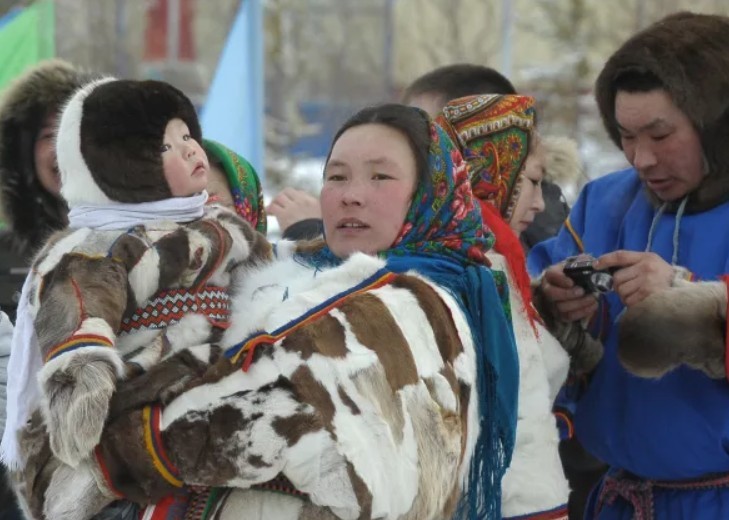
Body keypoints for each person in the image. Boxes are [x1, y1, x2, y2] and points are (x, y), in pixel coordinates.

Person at [41, 104, 519, 520]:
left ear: (430, 193)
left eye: (381, 176)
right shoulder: (297, 268)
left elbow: (267, 412)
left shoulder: (409, 301)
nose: (351, 194)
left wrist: (110, 456)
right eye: (337, 176)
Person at [1, 77, 272, 519]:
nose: (189, 149)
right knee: (115, 485)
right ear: (119, 165)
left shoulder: (223, 228)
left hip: (219, 384)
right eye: (165, 146)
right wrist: (81, 387)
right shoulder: (100, 244)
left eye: (187, 136)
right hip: (137, 400)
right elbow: (77, 310)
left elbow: (268, 279)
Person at [527, 11, 729, 519]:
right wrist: (556, 303)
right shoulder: (606, 201)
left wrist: (688, 298)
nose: (640, 159)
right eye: (626, 136)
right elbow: (526, 312)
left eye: (660, 136)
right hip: (620, 500)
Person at [438, 93, 570, 519]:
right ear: (491, 170)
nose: (539, 203)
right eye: (532, 181)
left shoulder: (493, 267)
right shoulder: (478, 273)